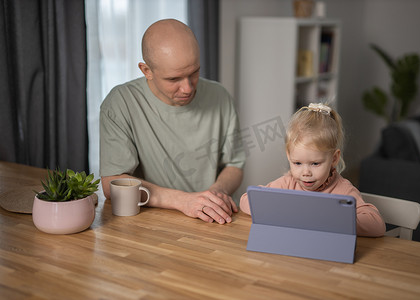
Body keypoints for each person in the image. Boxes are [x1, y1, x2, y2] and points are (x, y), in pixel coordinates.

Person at [100, 19, 246, 225]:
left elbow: (235, 165)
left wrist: (214, 194)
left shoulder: (220, 97)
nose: (187, 88)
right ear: (146, 71)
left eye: (194, 72)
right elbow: (112, 184)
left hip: (211, 220)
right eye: (173, 79)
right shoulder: (120, 102)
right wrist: (183, 201)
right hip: (149, 222)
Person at [240, 103, 385, 237]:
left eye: (315, 164)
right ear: (288, 156)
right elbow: (246, 199)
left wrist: (333, 221)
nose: (305, 173)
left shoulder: (343, 190)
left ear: (334, 159)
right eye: (297, 163)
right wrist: (278, 211)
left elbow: (377, 225)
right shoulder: (288, 183)